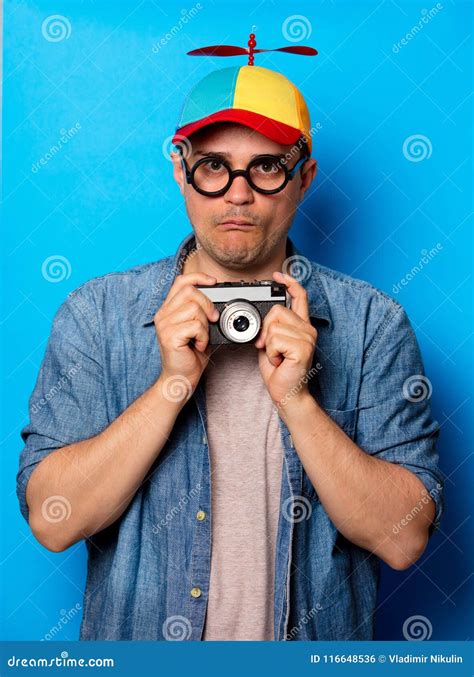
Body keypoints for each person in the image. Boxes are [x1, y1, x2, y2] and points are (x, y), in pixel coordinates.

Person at [16, 64, 443, 641]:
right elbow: (52, 518)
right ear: (181, 168)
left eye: (267, 167)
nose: (238, 194)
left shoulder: (371, 325)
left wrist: (299, 402)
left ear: (305, 176)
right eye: (214, 167)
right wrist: (171, 386)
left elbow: (402, 538)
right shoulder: (97, 315)